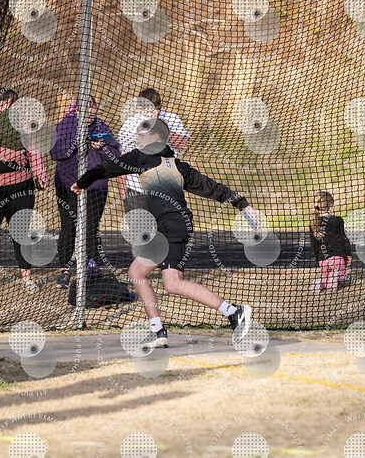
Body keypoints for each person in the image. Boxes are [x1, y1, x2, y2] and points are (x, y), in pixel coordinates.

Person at [72, 119, 259, 347]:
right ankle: (158, 330)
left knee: (172, 283)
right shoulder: (178, 165)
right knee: (136, 272)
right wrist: (242, 204)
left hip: (173, 224)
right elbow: (212, 187)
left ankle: (234, 312)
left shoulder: (141, 157)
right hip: (168, 226)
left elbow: (106, 168)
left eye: (142, 136)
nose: (138, 140)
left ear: (156, 138)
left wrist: (82, 183)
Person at [0, 88, 49, 292]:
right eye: (11, 103)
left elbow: (33, 151)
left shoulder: (20, 125)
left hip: (21, 185)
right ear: (0, 104)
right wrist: (13, 155)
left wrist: (40, 173)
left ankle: (26, 278)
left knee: (22, 232)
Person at [50, 95, 121, 288]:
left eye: (93, 112)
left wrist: (101, 147)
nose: (90, 116)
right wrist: (77, 142)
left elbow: (115, 156)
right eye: (86, 112)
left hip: (95, 186)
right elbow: (55, 153)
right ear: (76, 111)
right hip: (68, 185)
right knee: (69, 227)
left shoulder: (101, 127)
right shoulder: (65, 125)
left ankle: (92, 269)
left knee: (91, 228)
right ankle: (65, 270)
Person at [117, 88, 190, 213]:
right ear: (140, 109)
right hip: (137, 189)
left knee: (170, 224)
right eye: (150, 110)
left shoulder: (172, 119)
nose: (156, 113)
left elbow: (184, 146)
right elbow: (122, 158)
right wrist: (124, 191)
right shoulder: (130, 124)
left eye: (158, 108)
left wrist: (162, 129)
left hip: (168, 187)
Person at [309, 191, 352, 292]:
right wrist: (348, 254)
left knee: (326, 279)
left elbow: (314, 244)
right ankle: (337, 278)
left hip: (323, 261)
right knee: (342, 278)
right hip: (337, 259)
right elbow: (344, 238)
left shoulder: (313, 223)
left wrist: (318, 259)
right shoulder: (338, 220)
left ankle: (320, 283)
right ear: (331, 206)